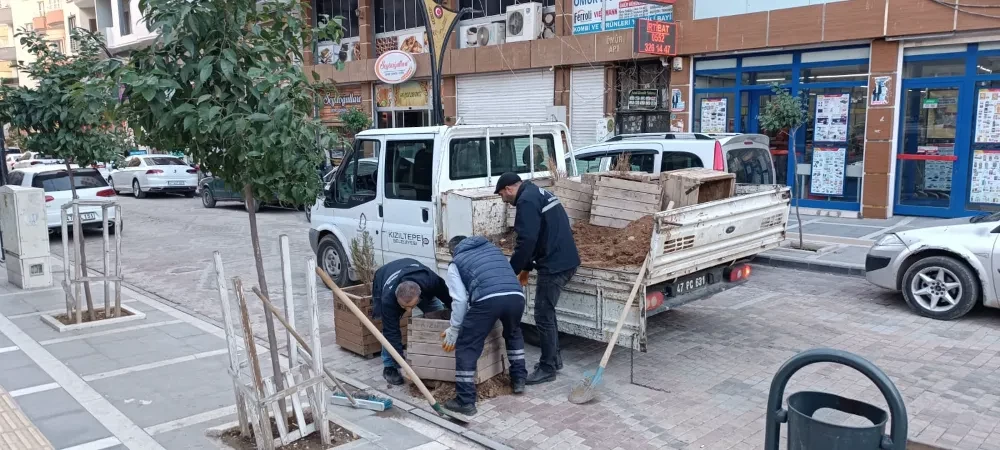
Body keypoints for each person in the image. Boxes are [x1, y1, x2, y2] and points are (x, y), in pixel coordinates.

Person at [494, 172, 580, 385]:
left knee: (542, 315)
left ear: (508, 189)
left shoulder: (526, 201)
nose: (506, 201)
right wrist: (526, 267)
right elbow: (541, 235)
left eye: (503, 196)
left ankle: (547, 368)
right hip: (565, 258)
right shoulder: (537, 193)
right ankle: (554, 359)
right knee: (547, 313)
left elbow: (527, 241)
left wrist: (510, 271)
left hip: (555, 265)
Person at [440, 235, 528, 416]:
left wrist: (455, 327)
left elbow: (460, 299)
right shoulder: (493, 250)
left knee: (467, 345)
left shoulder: (456, 262)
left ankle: (465, 401)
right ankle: (519, 380)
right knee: (513, 334)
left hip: (488, 301)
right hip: (516, 296)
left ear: (452, 251)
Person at [372, 258, 452, 385]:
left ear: (419, 295)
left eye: (411, 306)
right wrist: (402, 365)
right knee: (389, 328)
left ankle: (436, 353)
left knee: (438, 314)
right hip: (384, 275)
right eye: (404, 307)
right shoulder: (388, 300)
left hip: (418, 279)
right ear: (397, 298)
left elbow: (449, 300)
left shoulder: (432, 281)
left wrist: (457, 318)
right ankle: (389, 366)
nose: (408, 312)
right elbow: (391, 333)